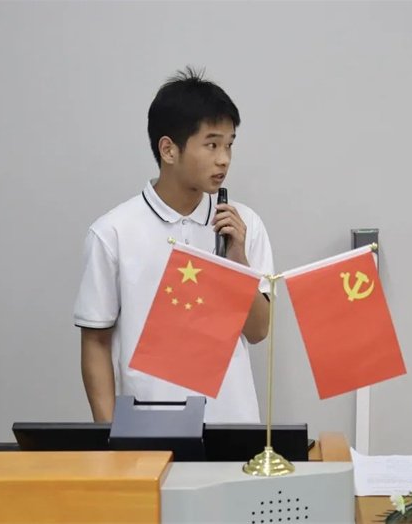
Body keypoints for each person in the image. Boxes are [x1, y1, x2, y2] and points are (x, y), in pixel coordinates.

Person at [74, 67, 274, 424]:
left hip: (234, 426)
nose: (224, 158)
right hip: (149, 429)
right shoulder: (113, 232)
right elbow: (96, 342)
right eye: (212, 144)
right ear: (168, 149)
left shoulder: (244, 225)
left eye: (229, 144)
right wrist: (109, 438)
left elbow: (258, 331)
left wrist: (238, 259)